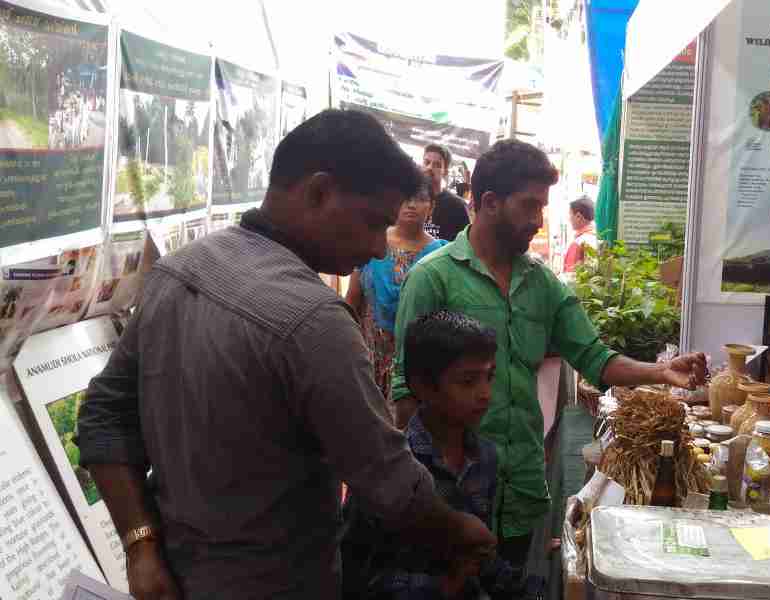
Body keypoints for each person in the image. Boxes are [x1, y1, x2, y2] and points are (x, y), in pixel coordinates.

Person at [76, 109, 494, 600]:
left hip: (173, 576)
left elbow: (103, 416)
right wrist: (459, 532)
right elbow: (388, 483)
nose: (378, 249)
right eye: (372, 223)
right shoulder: (314, 322)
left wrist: (140, 546)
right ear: (319, 193)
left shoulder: (179, 271)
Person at [392, 139, 708, 568]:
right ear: (489, 202)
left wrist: (662, 371)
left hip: (522, 490)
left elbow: (594, 357)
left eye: (542, 208)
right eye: (529, 206)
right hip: (453, 497)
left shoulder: (541, 284)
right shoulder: (433, 278)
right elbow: (405, 394)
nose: (538, 221)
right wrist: (431, 496)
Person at [343, 311, 542, 600]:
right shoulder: (390, 468)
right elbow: (358, 574)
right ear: (423, 386)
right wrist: (443, 587)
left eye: (489, 377)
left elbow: (481, 556)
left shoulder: (485, 457)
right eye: (468, 381)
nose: (485, 393)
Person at [347, 174, 448, 404]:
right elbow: (352, 301)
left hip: (418, 368)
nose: (411, 204)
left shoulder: (442, 256)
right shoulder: (369, 243)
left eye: (420, 198)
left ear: (431, 207)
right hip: (367, 358)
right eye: (406, 197)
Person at [422, 144, 471, 242]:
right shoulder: (409, 199)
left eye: (437, 165)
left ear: (445, 172)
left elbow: (463, 245)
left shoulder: (458, 206)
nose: (430, 167)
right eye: (426, 162)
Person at [561, 196, 598, 274]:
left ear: (578, 216)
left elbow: (570, 275)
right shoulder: (597, 239)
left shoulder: (579, 243)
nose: (569, 218)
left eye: (570, 214)